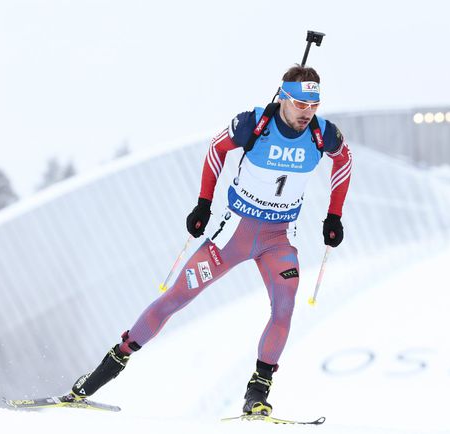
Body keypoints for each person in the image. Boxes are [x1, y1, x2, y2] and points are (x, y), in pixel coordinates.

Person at [67, 65, 353, 416]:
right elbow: (217, 149)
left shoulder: (323, 134)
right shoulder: (254, 123)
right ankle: (96, 378)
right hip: (232, 237)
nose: (307, 113)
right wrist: (204, 203)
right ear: (283, 97)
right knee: (175, 298)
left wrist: (334, 215)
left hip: (278, 239)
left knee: (284, 307)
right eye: (300, 104)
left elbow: (344, 160)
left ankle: (257, 394)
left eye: (314, 105)